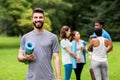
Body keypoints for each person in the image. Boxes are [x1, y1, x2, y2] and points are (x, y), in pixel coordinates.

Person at [17, 8, 62, 80]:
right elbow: (19, 56)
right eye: (35, 17)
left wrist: (59, 77)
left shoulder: (53, 37)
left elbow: (56, 57)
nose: (38, 19)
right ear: (32, 19)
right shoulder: (25, 37)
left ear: (44, 19)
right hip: (31, 78)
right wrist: (26, 58)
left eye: (40, 17)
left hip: (48, 77)